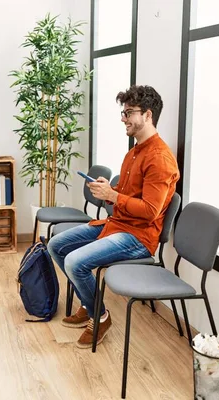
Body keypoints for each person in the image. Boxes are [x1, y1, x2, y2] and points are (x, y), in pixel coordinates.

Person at [47, 85, 180, 348]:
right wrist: (108, 189)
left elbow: (150, 211)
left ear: (148, 115)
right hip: (117, 225)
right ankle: (91, 304)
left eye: (129, 112)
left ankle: (100, 316)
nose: (123, 118)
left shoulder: (160, 159)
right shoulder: (133, 152)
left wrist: (113, 196)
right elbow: (128, 195)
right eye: (124, 111)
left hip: (138, 237)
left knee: (75, 262)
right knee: (56, 245)